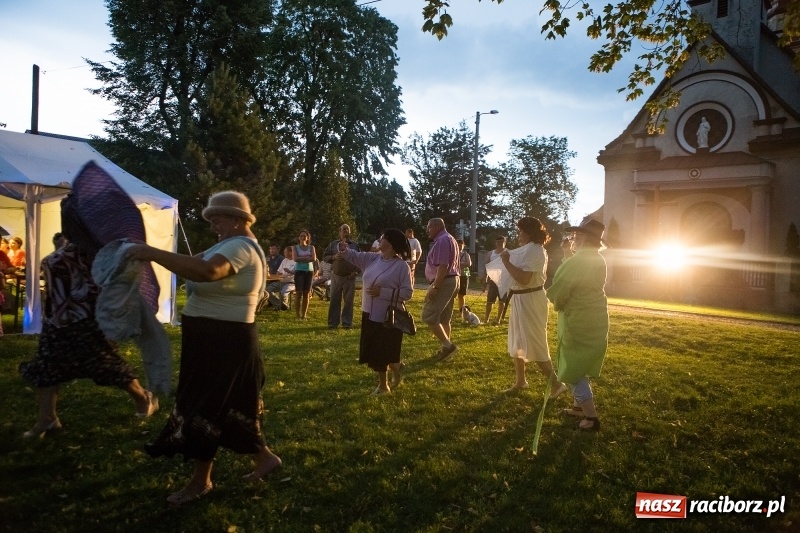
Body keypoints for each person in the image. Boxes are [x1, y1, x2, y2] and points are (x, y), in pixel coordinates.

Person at [124, 190, 281, 504]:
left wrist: (150, 251)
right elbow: (194, 264)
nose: (213, 225)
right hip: (215, 340)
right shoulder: (227, 243)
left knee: (205, 409)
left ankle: (201, 482)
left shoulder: (240, 246)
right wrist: (148, 257)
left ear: (236, 218)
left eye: (217, 218)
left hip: (225, 342)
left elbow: (209, 272)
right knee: (232, 406)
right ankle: (265, 458)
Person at [18, 195, 159, 439]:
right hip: (59, 323)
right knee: (48, 368)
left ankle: (144, 398)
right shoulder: (68, 255)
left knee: (106, 366)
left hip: (90, 322)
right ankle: (47, 419)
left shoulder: (104, 254)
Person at [546, 217, 610, 431]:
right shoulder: (597, 258)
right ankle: (578, 407)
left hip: (578, 319)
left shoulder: (578, 261)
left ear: (583, 237)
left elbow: (560, 289)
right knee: (580, 362)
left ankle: (591, 418)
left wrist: (554, 299)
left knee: (572, 367)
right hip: (595, 317)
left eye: (576, 235)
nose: (573, 238)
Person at [496, 217, 566, 396]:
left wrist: (506, 262)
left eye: (520, 231)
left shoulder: (536, 250)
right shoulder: (526, 250)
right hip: (520, 299)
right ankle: (521, 381)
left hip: (531, 299)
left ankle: (557, 384)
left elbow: (525, 279)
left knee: (535, 341)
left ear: (529, 232)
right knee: (517, 339)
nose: (518, 234)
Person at [337, 228, 413, 394]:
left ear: (391, 245)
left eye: (383, 238)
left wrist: (383, 292)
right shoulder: (373, 259)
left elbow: (408, 293)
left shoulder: (402, 267)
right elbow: (354, 255)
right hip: (369, 313)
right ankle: (397, 366)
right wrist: (343, 249)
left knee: (381, 353)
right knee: (374, 351)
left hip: (387, 318)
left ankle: (383, 386)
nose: (380, 239)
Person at [422, 218, 460, 361]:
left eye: (429, 227)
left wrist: (436, 287)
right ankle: (447, 352)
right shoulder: (450, 239)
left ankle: (448, 346)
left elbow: (443, 266)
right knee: (444, 318)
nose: (427, 230)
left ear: (438, 226)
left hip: (443, 281)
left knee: (428, 316)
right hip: (452, 280)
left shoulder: (443, 240)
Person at [323, 224, 360, 329]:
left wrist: (356, 272)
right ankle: (333, 324)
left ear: (350, 231)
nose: (345, 231)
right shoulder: (333, 245)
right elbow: (325, 257)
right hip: (336, 276)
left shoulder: (355, 245)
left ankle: (347, 323)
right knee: (334, 300)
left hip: (350, 277)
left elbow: (360, 260)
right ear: (339, 231)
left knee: (348, 302)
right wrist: (334, 257)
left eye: (347, 229)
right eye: (343, 229)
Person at [483, 236, 509, 325]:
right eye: (498, 242)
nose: (499, 243)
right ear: (495, 243)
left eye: (501, 242)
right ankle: (486, 319)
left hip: (504, 280)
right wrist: (485, 279)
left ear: (504, 243)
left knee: (502, 301)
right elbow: (486, 267)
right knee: (489, 301)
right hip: (493, 280)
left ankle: (498, 320)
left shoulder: (508, 253)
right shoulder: (491, 253)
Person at [293, 229, 316, 319]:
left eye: (304, 236)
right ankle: (297, 315)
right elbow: (295, 258)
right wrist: (307, 258)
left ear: (307, 238)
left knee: (306, 293)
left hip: (309, 271)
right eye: (301, 236)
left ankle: (304, 315)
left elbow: (313, 258)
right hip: (299, 271)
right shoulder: (295, 247)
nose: (303, 237)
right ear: (299, 238)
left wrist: (301, 258)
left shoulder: (311, 248)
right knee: (298, 293)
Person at [456, 239, 472, 312]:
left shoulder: (466, 254)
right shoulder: (453, 254)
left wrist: (460, 265)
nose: (459, 246)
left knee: (461, 294)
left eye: (461, 245)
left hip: (464, 275)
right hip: (455, 275)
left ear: (463, 246)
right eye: (458, 245)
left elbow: (469, 264)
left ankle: (462, 310)